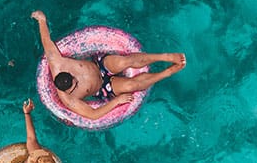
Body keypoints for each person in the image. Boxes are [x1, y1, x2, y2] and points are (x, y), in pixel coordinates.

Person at [31, 10, 187, 122]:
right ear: (69, 90)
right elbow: (93, 115)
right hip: (102, 87)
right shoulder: (69, 100)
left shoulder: (58, 63)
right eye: (76, 85)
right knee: (131, 85)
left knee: (124, 62)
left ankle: (164, 56)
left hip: (99, 65)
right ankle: (166, 73)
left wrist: (41, 20)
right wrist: (116, 102)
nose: (78, 80)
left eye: (74, 78)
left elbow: (47, 42)